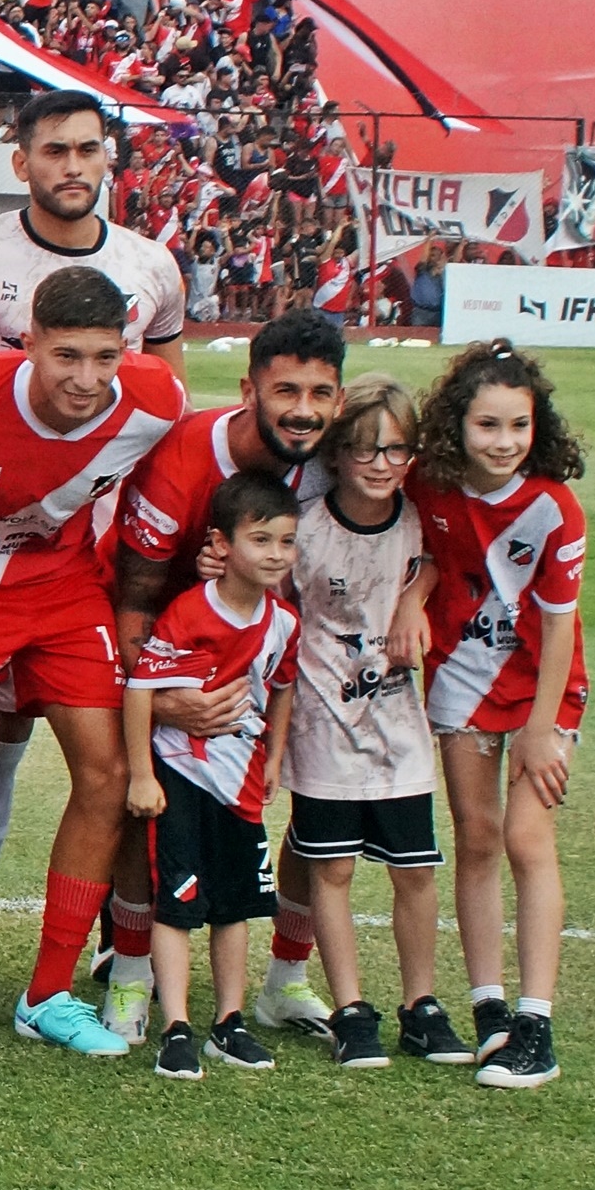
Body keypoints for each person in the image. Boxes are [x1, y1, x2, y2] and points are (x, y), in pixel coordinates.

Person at [0, 88, 190, 991]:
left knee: (101, 768)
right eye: (54, 149)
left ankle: (62, 981)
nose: (72, 164)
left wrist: (154, 583)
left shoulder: (152, 273)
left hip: (74, 564)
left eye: (88, 148)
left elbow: (169, 436)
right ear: (23, 160)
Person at [0, 266, 187, 1060]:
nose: (87, 379)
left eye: (104, 356)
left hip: (61, 589)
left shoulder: (156, 398)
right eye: (67, 356)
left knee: (110, 774)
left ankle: (47, 992)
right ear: (27, 344)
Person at [112, 312, 344, 1031]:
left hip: (291, 653)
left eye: (321, 393)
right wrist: (167, 700)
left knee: (317, 798)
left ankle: (288, 974)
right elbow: (133, 602)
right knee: (135, 799)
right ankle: (127, 970)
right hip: (174, 654)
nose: (303, 410)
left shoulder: (337, 455)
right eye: (286, 390)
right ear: (250, 388)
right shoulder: (184, 457)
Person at [411, 340, 587, 1088]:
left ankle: (536, 1021)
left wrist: (544, 729)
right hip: (458, 681)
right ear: (458, 426)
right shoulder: (430, 487)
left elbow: (556, 628)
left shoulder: (555, 506)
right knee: (476, 837)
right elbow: (418, 559)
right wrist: (408, 599)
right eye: (487, 425)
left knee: (525, 835)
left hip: (545, 688)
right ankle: (489, 1009)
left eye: (518, 425)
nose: (504, 441)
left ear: (536, 427)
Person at [275, 376, 462, 1068]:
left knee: (415, 871)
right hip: (322, 723)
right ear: (339, 451)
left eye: (396, 449)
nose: (382, 463)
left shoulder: (418, 518)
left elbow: (443, 555)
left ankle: (422, 1003)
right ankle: (351, 1007)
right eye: (365, 448)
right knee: (332, 870)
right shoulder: (309, 524)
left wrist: (417, 595)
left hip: (400, 729)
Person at [124, 471, 303, 1082]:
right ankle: (176, 1026)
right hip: (182, 776)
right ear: (223, 545)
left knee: (236, 907)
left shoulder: (284, 622)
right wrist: (143, 775)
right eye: (261, 540)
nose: (275, 554)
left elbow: (281, 689)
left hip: (243, 786)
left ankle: (229, 1023)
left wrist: (274, 756)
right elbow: (140, 692)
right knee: (178, 903)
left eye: (286, 541)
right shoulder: (188, 613)